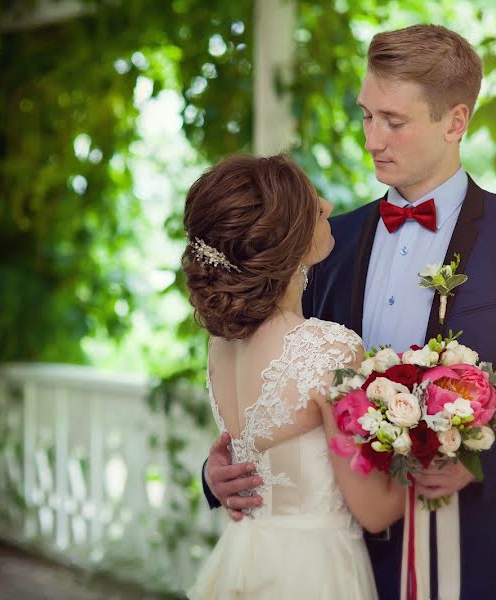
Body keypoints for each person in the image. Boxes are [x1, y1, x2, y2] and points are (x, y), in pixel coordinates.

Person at [203, 24, 496, 600]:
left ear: (455, 122)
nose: (372, 138)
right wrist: (217, 476)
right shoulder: (320, 242)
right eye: (367, 115)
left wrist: (478, 462)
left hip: (484, 559)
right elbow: (270, 377)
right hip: (347, 562)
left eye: (394, 120)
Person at [183, 153, 404, 599]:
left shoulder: (221, 346)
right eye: (308, 200)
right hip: (314, 571)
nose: (325, 205)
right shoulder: (328, 349)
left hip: (246, 557)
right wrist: (454, 439)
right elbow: (375, 511)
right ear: (283, 239)